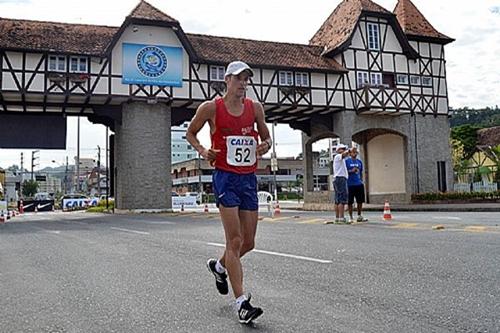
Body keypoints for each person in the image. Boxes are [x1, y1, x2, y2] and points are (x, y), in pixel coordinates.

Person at [186, 60, 271, 324]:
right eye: (238, 79)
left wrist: (264, 146)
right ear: (227, 80)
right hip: (225, 178)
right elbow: (190, 133)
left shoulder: (255, 108)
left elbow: (267, 139)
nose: (243, 84)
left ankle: (220, 266)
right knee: (234, 241)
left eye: (246, 79)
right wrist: (203, 151)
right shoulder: (211, 108)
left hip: (248, 180)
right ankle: (242, 304)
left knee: (249, 243)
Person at [327, 143, 351, 224]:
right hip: (340, 178)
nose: (344, 150)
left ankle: (337, 217)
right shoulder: (338, 156)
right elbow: (345, 154)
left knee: (337, 200)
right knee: (342, 199)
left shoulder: (341, 159)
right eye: (342, 149)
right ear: (338, 150)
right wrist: (350, 150)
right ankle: (341, 217)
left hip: (338, 179)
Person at [345, 147, 368, 223]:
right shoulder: (346, 161)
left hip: (359, 184)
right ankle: (351, 217)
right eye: (352, 152)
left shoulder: (359, 162)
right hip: (350, 184)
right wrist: (351, 170)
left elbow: (360, 172)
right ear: (350, 153)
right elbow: (344, 172)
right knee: (350, 202)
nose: (354, 153)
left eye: (355, 152)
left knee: (360, 201)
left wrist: (361, 180)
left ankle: (359, 215)